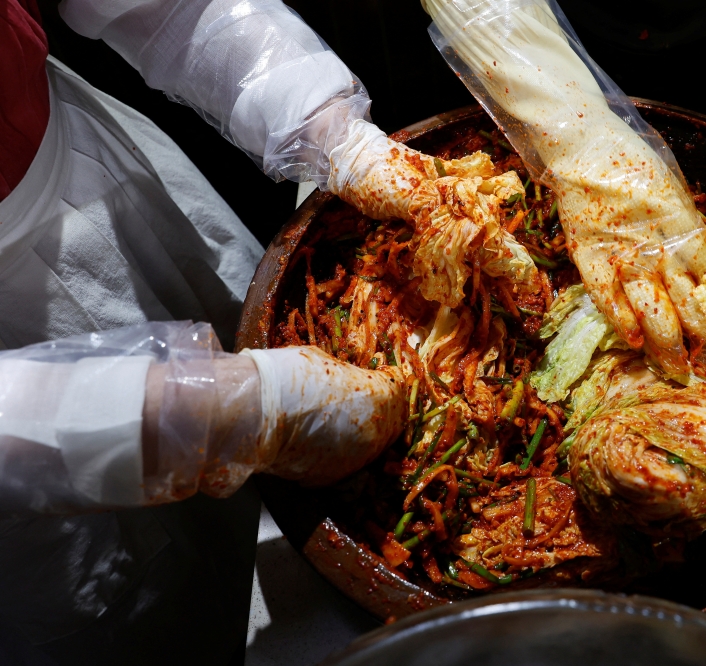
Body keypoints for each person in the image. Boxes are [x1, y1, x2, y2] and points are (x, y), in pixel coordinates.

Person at [0, 0, 521, 662]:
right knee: (136, 616)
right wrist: (206, 410)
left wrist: (328, 127)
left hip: (82, 167)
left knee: (274, 406)